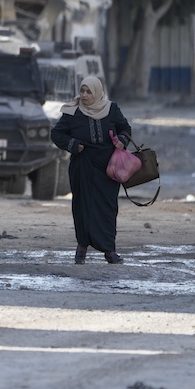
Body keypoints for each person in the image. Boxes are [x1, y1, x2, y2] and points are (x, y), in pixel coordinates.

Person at [51, 76, 132, 264]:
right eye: (82, 91)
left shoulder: (111, 109)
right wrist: (73, 145)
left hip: (108, 166)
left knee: (107, 207)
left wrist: (122, 140)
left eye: (89, 91)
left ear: (97, 92)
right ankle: (82, 247)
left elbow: (125, 128)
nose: (85, 95)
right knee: (82, 206)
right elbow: (56, 133)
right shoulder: (73, 112)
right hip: (82, 165)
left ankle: (109, 250)